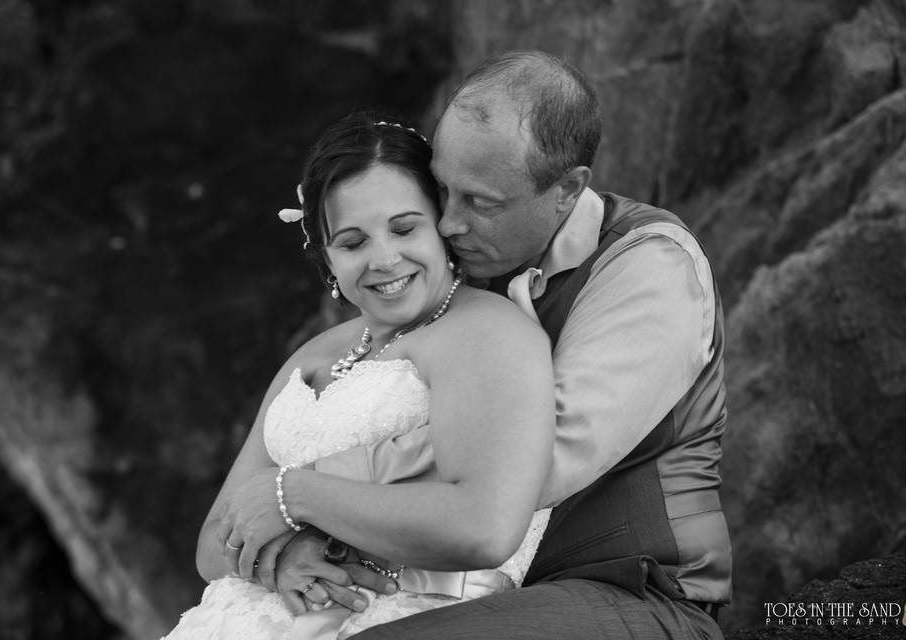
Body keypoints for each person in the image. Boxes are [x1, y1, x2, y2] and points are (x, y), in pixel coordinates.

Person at [278, 50, 732, 639]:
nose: (447, 223)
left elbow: (527, 462)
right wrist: (276, 539)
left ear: (567, 189)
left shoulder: (649, 266)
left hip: (638, 590)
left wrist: (310, 491)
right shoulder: (461, 266)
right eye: (442, 188)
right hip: (474, 592)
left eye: (481, 202)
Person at [161, 111, 556, 639]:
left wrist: (293, 495)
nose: (384, 259)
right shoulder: (312, 357)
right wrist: (281, 557)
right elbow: (213, 542)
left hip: (407, 618)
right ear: (326, 258)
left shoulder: (486, 334)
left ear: (441, 221)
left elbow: (483, 527)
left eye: (404, 228)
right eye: (352, 243)